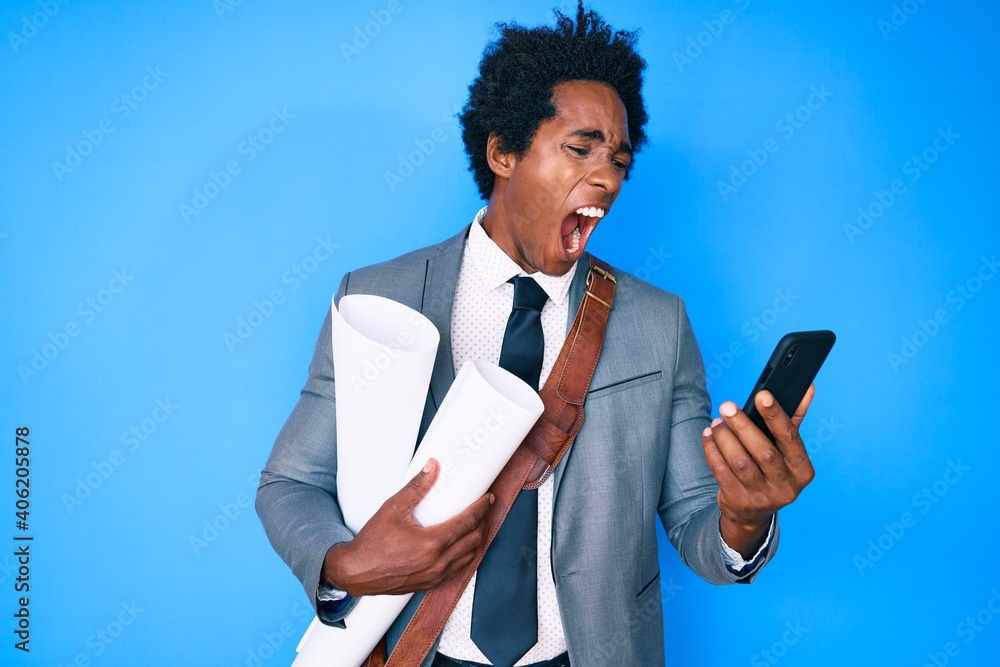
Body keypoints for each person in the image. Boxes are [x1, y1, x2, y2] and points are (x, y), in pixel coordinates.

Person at [256, 4, 816, 666]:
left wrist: (746, 516)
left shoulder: (657, 323)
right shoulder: (376, 298)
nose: (606, 178)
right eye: (581, 148)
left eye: (619, 160)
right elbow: (290, 482)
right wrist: (347, 563)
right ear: (503, 151)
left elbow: (700, 524)